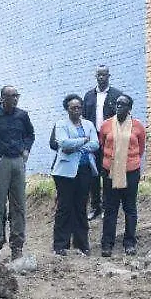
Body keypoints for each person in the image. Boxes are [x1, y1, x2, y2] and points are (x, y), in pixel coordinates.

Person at [0, 85, 35, 260]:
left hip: (18, 162)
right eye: (11, 96)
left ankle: (17, 247)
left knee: (19, 206)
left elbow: (30, 134)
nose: (15, 99)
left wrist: (26, 150)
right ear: (2, 98)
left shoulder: (22, 116)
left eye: (16, 96)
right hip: (0, 162)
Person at [50, 94, 100, 255]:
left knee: (81, 206)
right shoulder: (61, 124)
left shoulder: (89, 124)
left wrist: (77, 144)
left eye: (79, 107)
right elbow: (63, 143)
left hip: (84, 170)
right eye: (73, 108)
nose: (76, 110)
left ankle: (81, 243)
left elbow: (95, 144)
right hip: (64, 173)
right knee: (65, 207)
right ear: (67, 109)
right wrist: (84, 140)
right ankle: (60, 245)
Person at [98, 95, 147, 257]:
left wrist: (128, 162)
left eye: (123, 104)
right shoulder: (106, 125)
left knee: (130, 208)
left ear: (129, 108)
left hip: (131, 172)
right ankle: (107, 244)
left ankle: (129, 243)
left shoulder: (138, 126)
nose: (119, 106)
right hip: (110, 171)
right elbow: (102, 144)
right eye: (117, 104)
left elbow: (140, 149)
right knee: (110, 208)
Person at [82, 66, 123, 221]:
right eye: (98, 75)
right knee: (93, 173)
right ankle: (95, 207)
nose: (101, 77)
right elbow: (84, 118)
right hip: (93, 139)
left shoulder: (116, 95)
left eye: (104, 75)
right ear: (95, 76)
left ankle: (107, 206)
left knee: (107, 174)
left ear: (108, 76)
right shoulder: (88, 96)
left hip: (109, 139)